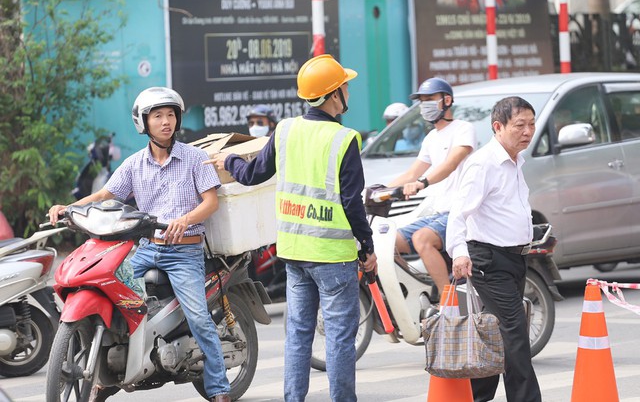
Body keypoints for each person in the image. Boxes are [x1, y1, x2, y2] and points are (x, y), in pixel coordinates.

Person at [208, 54, 377, 402]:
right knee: (339, 338)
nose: (348, 89)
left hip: (294, 254)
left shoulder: (285, 130)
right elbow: (352, 203)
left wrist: (230, 160)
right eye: (344, 85)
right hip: (332, 257)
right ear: (333, 96)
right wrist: (367, 247)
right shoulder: (345, 139)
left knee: (298, 335)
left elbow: (253, 175)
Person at [48, 87, 231, 402]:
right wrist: (68, 208)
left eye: (170, 115)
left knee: (199, 317)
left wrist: (185, 220)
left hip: (184, 252)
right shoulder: (135, 164)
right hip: (147, 249)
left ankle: (219, 388)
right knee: (109, 291)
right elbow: (106, 195)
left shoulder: (194, 158)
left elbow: (210, 202)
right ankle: (107, 374)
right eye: (158, 116)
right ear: (144, 122)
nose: (165, 122)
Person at [447, 96, 542, 402]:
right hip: (489, 260)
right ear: (498, 127)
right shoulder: (483, 163)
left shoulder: (516, 161)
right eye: (520, 125)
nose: (528, 131)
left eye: (531, 123)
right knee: (514, 331)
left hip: (514, 259)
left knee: (494, 334)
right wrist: (459, 251)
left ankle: (476, 397)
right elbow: (458, 212)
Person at [388, 77, 476, 297]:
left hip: (459, 211)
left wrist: (422, 183)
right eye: (422, 100)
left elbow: (450, 163)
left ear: (447, 100)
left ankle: (448, 300)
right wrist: (376, 190)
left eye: (429, 99)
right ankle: (419, 292)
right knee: (388, 242)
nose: (424, 104)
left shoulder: (463, 129)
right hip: (438, 212)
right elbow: (411, 173)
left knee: (421, 238)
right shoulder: (431, 138)